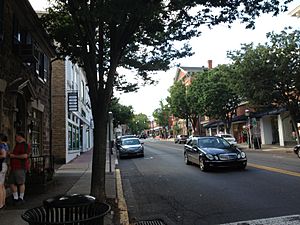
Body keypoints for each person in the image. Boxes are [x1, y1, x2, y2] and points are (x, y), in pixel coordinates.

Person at [8, 131, 31, 205]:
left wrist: (13, 156)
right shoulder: (18, 145)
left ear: (20, 137)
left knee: (21, 183)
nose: (15, 138)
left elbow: (25, 156)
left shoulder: (25, 145)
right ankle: (15, 198)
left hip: (20, 167)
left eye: (16, 137)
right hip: (14, 167)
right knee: (11, 182)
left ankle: (21, 198)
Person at [0, 133, 8, 209]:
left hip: (1, 165)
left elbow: (3, 155)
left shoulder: (1, 145)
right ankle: (3, 202)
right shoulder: (6, 145)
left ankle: (0, 204)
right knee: (2, 186)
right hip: (4, 165)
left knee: (0, 186)